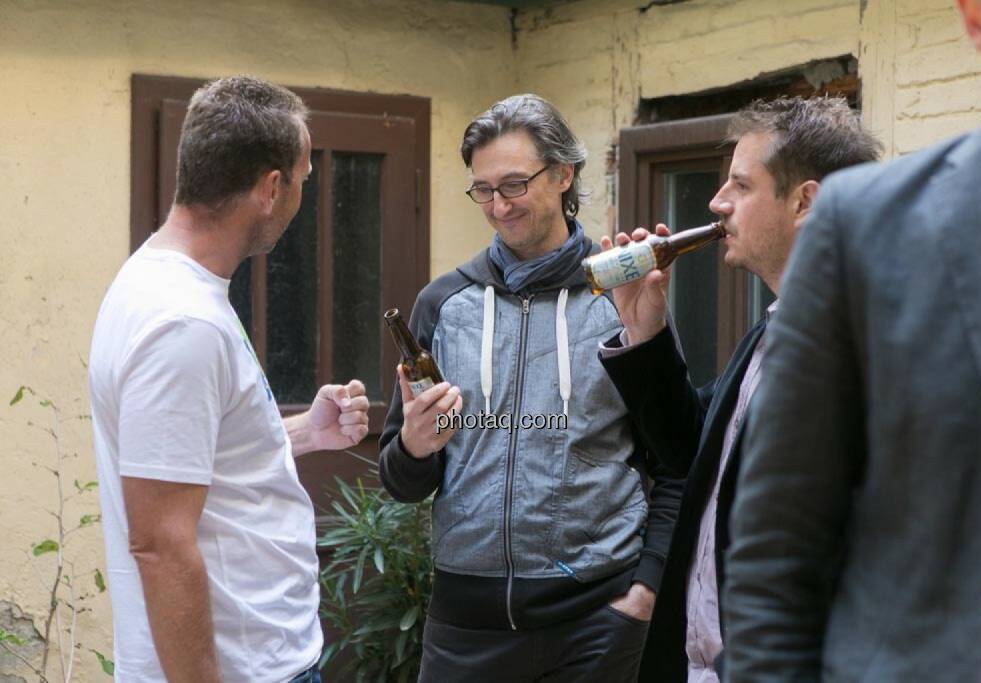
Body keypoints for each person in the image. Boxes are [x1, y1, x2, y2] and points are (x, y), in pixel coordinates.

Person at [723, 1, 981, 681]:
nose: (718, 203)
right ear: (977, 17)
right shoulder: (866, 227)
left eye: (739, 185)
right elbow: (778, 548)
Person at [378, 93, 683, 682]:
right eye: (483, 190)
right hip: (465, 627)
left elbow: (677, 461)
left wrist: (643, 594)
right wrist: (416, 445)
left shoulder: (623, 295)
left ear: (564, 173)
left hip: (598, 622)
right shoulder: (444, 303)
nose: (498, 206)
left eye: (514, 184)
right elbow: (402, 482)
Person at [89, 75, 370, 683]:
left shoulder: (168, 288)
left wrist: (298, 434)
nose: (301, 194)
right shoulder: (181, 322)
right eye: (302, 178)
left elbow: (191, 457)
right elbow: (160, 543)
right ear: (272, 187)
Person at [596, 96, 880, 682]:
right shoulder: (773, 329)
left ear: (804, 201)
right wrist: (643, 327)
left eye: (741, 186)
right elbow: (689, 456)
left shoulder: (863, 341)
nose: (715, 202)